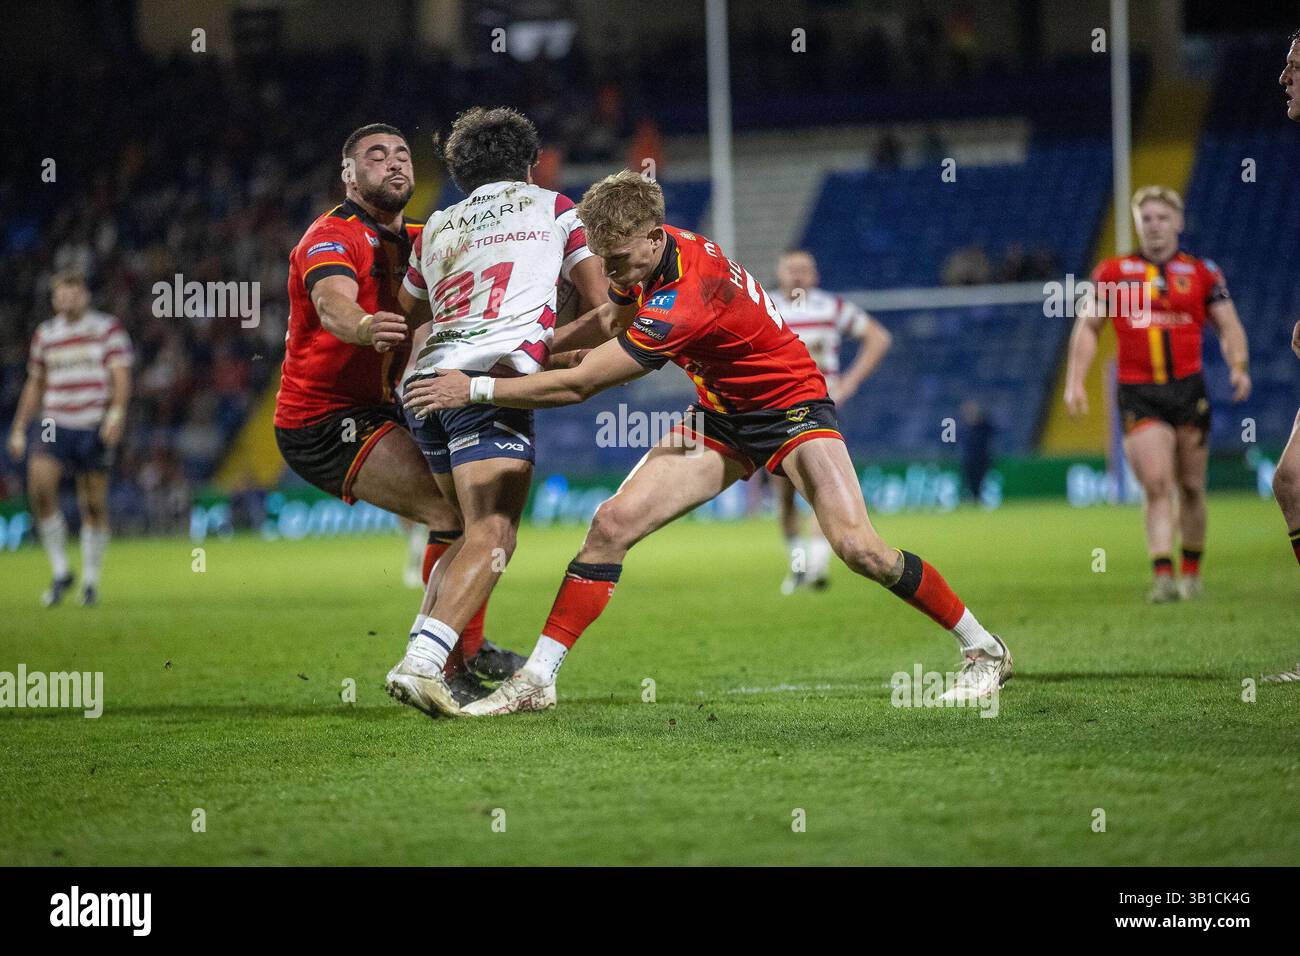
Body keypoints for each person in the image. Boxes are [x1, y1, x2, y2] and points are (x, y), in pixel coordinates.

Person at [404, 170, 1012, 717]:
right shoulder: (650, 257)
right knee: (611, 524)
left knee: (859, 550)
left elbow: (583, 384)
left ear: (651, 235)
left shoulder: (684, 299)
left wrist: (478, 386)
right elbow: (609, 323)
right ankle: (538, 679)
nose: (611, 276)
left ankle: (984, 648)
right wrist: (533, 348)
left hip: (792, 410)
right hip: (722, 415)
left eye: (618, 263)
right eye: (605, 263)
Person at [273, 122, 522, 700]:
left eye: (403, 154)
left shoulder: (423, 237)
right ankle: (444, 658)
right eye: (376, 156)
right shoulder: (330, 236)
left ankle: (458, 649)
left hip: (383, 408)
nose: (394, 163)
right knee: (458, 514)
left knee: (471, 513)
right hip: (322, 417)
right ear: (349, 175)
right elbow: (332, 301)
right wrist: (361, 324)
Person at [382, 107, 612, 719]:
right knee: (494, 532)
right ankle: (425, 664)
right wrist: (556, 344)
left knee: (460, 528)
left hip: (425, 384)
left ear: (459, 173)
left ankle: (418, 655)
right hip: (487, 381)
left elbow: (406, 312)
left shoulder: (435, 226)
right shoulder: (555, 209)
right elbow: (602, 306)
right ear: (529, 163)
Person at [1064, 185, 1251, 603]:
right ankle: (1163, 575)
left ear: (1178, 223)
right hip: (1138, 392)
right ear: (1137, 224)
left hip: (1188, 390)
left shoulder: (1203, 272)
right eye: (1146, 218)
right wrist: (1075, 380)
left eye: (1162, 218)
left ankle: (1191, 572)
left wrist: (1238, 367)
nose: (1154, 226)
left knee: (1191, 486)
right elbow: (1089, 327)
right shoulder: (1113, 272)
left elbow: (1229, 326)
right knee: (1156, 483)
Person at [769, 249, 892, 592]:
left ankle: (818, 565)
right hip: (774, 410)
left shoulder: (831, 307)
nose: (798, 276)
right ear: (780, 273)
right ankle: (798, 564)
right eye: (791, 269)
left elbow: (878, 337)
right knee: (785, 495)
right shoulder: (765, 306)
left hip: (819, 408)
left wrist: (850, 382)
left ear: (815, 275)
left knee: (822, 487)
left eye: (804, 270)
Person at [6, 271, 131, 607]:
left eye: (73, 293)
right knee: (40, 488)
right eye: (61, 294)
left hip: (92, 421)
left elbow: (120, 375)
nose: (67, 299)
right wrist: (19, 426)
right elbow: (35, 383)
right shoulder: (46, 334)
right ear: (53, 299)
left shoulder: (107, 329)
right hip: (54, 420)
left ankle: (90, 581)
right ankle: (61, 570)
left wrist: (116, 414)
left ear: (85, 296)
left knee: (93, 502)